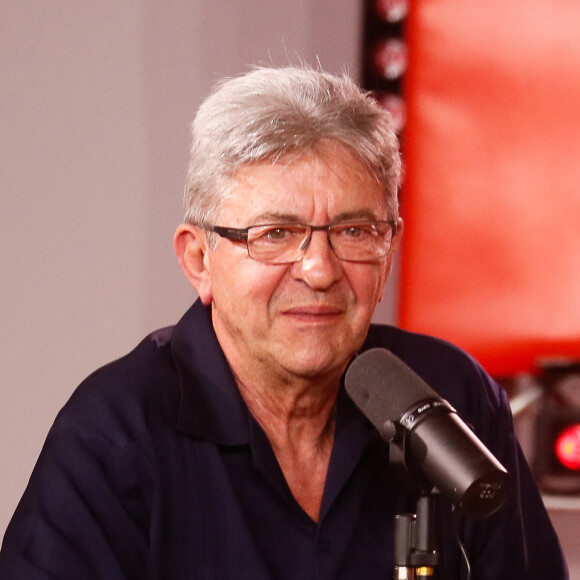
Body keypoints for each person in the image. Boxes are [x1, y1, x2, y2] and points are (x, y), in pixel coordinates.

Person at [0, 66, 567, 579]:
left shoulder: (452, 396)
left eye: (354, 231)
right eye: (275, 234)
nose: (319, 271)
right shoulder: (117, 432)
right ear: (199, 259)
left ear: (389, 249)